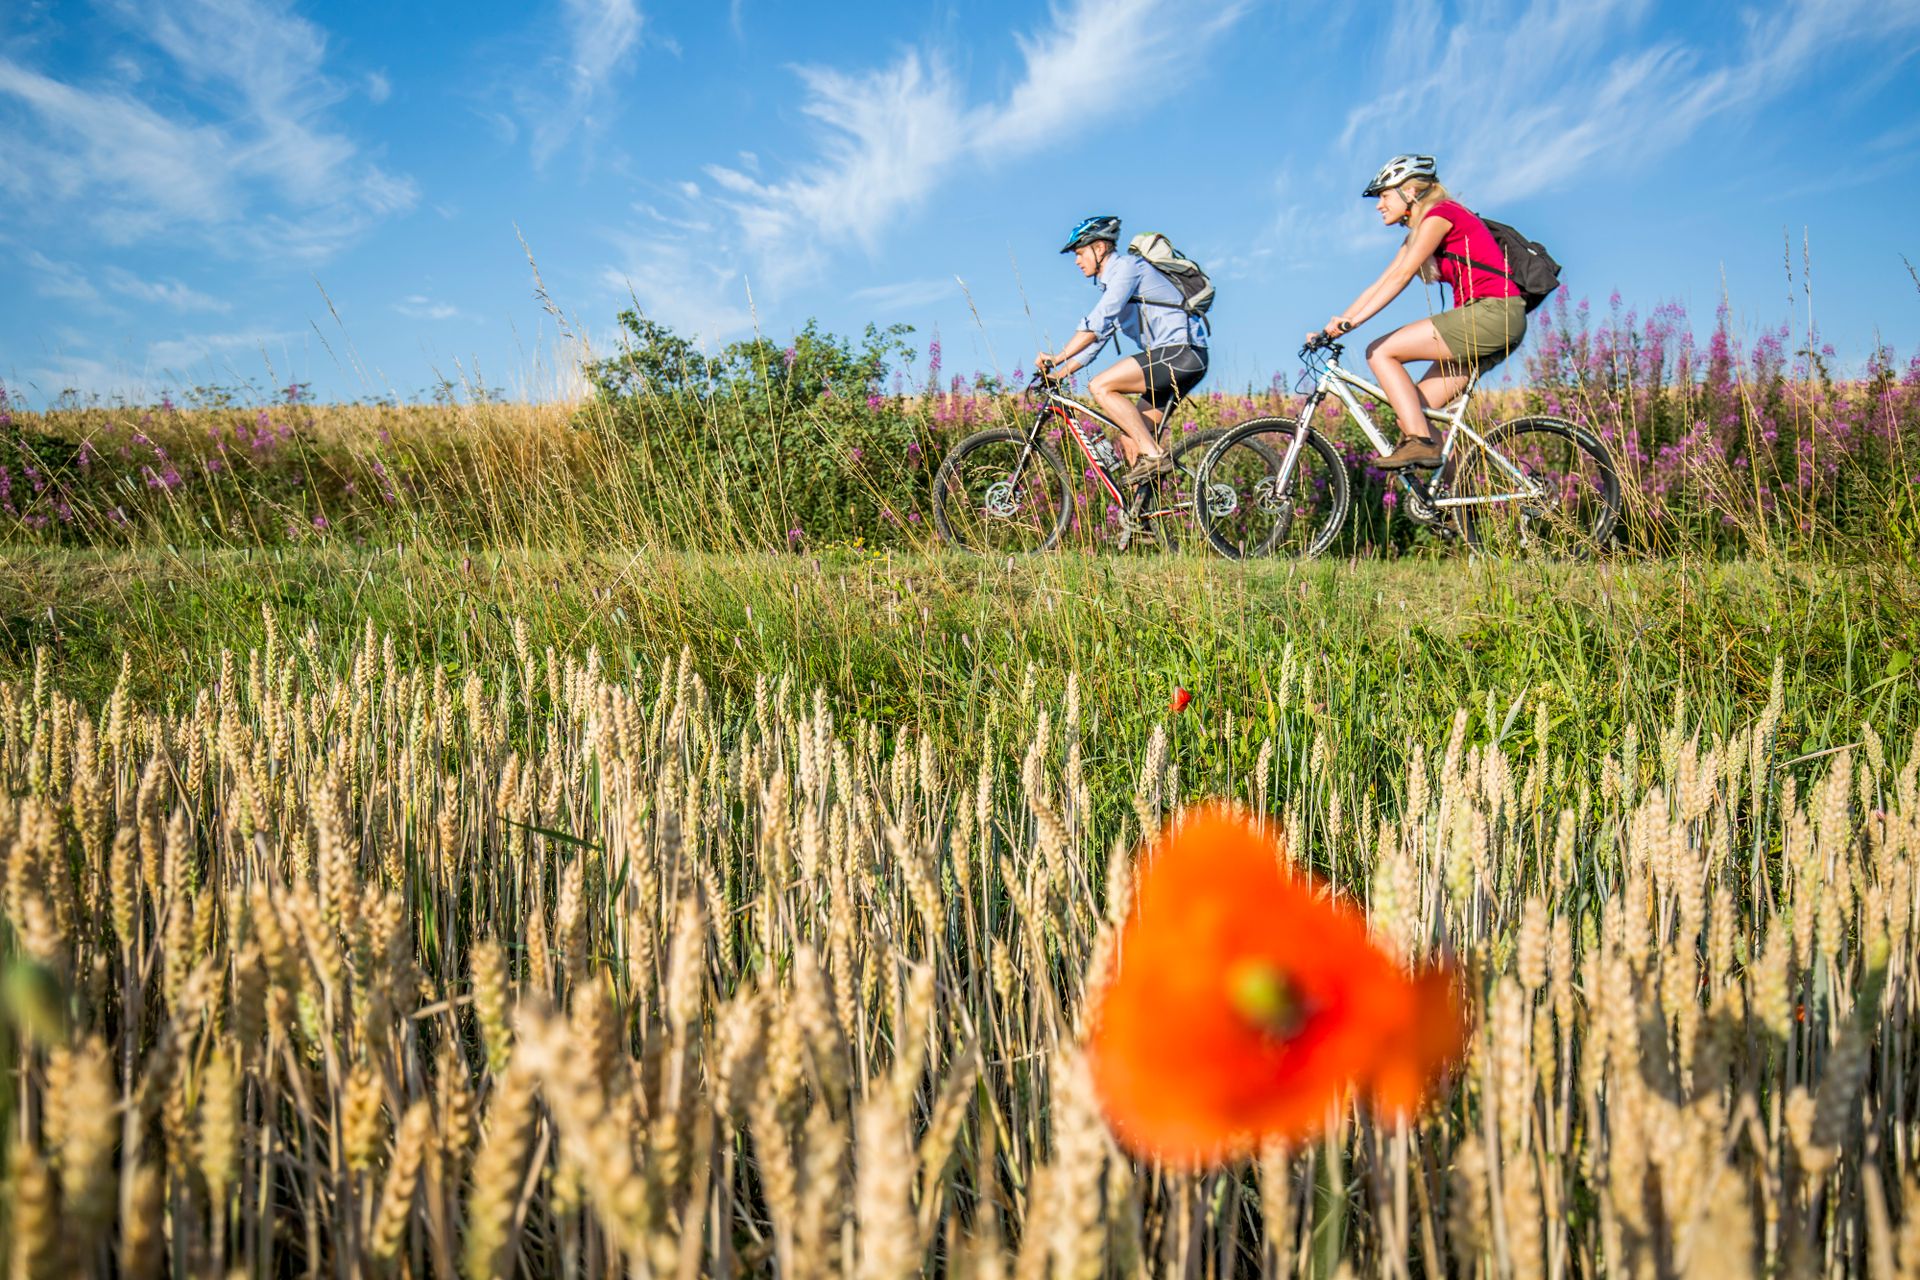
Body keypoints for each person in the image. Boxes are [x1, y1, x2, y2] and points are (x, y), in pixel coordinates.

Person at [1310, 155, 1526, 470]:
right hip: (1485, 320)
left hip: (1494, 313)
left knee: (1380, 351)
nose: (1378, 205)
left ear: (1409, 191)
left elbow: (1401, 277)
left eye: (1384, 195)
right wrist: (1333, 325)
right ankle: (1456, 509)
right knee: (1414, 413)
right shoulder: (1416, 233)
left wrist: (1351, 324)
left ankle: (1418, 444)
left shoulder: (1441, 214)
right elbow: (1380, 283)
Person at [1034, 215, 1210, 487]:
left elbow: (1098, 321)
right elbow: (1096, 342)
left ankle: (1155, 456)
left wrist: (1057, 357)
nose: (1077, 261)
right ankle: (1143, 523)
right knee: (1131, 439)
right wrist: (1058, 375)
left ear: (1100, 248)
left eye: (1080, 253)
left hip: (1182, 353)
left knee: (1101, 386)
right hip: (1171, 361)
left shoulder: (1129, 268)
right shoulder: (1116, 284)